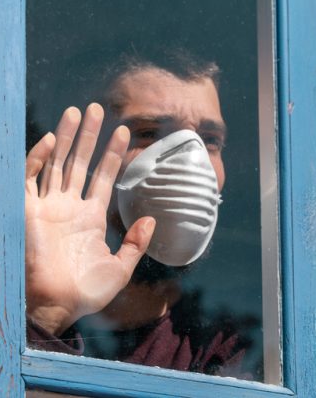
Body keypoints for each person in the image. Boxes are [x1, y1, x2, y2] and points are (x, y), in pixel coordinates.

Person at [25, 48, 247, 377]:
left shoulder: (225, 348)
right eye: (147, 133)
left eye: (210, 140)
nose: (191, 163)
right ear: (86, 156)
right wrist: (47, 317)